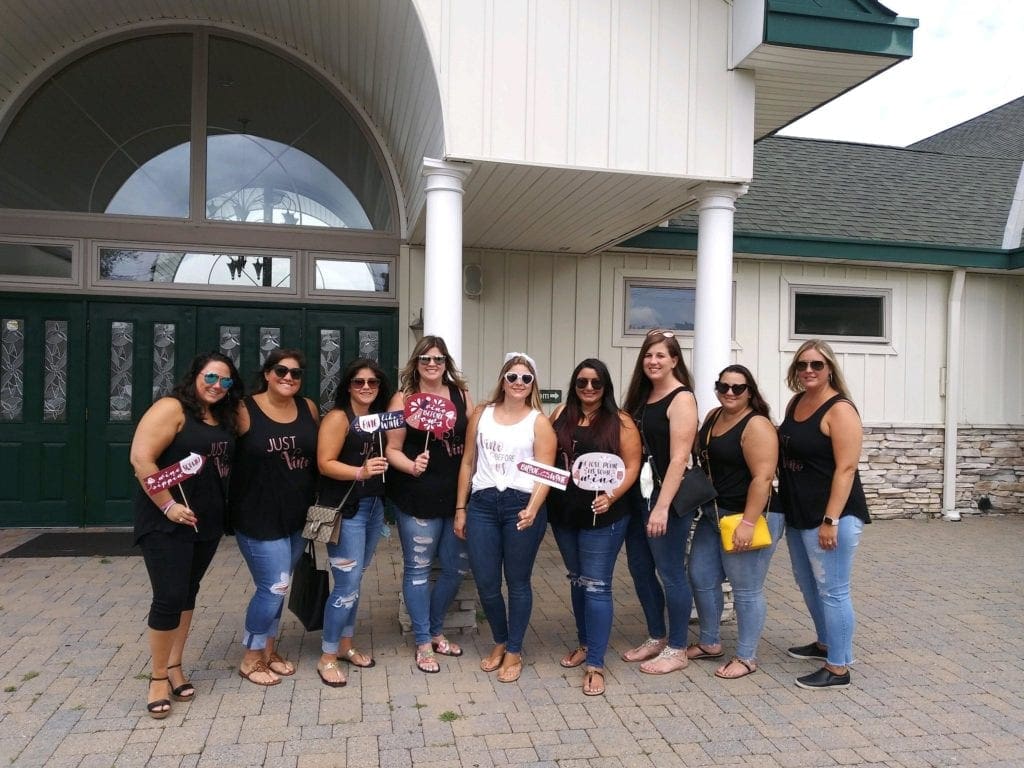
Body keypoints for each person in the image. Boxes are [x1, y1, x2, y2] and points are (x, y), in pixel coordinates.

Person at [130, 352, 241, 718]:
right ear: (195, 375)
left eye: (225, 381)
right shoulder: (172, 408)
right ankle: (158, 677)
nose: (217, 386)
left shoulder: (222, 416)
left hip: (205, 521)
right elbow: (141, 459)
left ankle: (175, 665)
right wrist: (167, 506)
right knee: (169, 596)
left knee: (188, 592)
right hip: (167, 521)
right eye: (211, 377)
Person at [455, 353, 557, 683]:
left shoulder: (538, 422)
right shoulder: (481, 414)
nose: (518, 383)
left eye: (526, 378)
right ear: (503, 380)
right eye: (512, 376)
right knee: (486, 581)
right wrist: (460, 508)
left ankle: (514, 649)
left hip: (521, 504)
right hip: (482, 504)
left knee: (517, 580)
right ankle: (500, 639)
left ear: (533, 384)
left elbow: (545, 472)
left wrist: (533, 507)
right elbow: (468, 462)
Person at [778, 339, 870, 690]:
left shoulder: (840, 409)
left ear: (830, 368)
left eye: (816, 364)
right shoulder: (797, 402)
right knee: (807, 583)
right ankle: (825, 643)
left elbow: (846, 469)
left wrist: (830, 520)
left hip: (832, 517)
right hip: (799, 512)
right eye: (802, 365)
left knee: (833, 590)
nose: (809, 370)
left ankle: (838, 668)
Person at [547, 359, 641, 696]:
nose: (588, 388)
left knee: (597, 585)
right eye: (582, 382)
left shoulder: (621, 421)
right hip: (564, 512)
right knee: (577, 579)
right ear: (574, 385)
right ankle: (585, 643)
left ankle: (596, 664)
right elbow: (545, 456)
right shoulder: (560, 413)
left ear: (606, 387)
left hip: (605, 514)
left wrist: (612, 497)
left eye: (596, 383)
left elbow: (632, 465)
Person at [687, 365, 784, 680]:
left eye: (737, 388)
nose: (729, 392)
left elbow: (763, 478)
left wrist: (748, 523)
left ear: (749, 392)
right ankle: (710, 642)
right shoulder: (714, 416)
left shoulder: (757, 425)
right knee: (701, 575)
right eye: (723, 386)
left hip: (749, 515)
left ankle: (746, 656)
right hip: (714, 513)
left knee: (746, 589)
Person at [230, 349, 319, 686]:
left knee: (279, 586)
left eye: (295, 373)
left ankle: (268, 650)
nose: (288, 378)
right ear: (267, 373)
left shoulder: (308, 408)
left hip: (297, 515)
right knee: (274, 586)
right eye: (281, 371)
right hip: (257, 515)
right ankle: (251, 657)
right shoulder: (243, 409)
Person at [385, 336, 473, 674]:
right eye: (425, 359)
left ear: (446, 362)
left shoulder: (461, 395)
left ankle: (436, 630)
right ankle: (423, 641)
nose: (432, 364)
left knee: (455, 568)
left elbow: (472, 445)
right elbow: (392, 449)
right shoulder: (403, 398)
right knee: (418, 570)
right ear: (416, 363)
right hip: (416, 496)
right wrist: (411, 465)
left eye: (438, 359)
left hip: (456, 498)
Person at [620, 330, 699, 674]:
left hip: (665, 499)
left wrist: (662, 507)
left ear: (674, 360)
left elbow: (680, 458)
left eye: (661, 356)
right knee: (639, 568)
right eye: (648, 355)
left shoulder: (681, 398)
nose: (653, 361)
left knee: (670, 572)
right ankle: (657, 636)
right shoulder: (641, 397)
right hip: (637, 497)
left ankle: (678, 648)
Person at [314, 358, 392, 687]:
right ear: (348, 386)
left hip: (373, 507)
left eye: (372, 382)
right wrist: (360, 472)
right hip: (348, 511)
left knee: (355, 581)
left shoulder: (377, 418)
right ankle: (327, 656)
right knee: (346, 585)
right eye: (359, 382)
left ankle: (345, 645)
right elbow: (324, 463)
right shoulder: (338, 417)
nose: (366, 387)